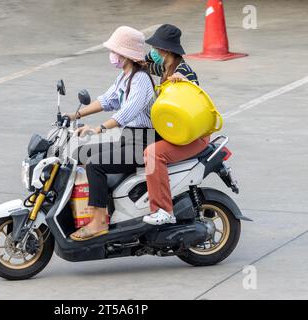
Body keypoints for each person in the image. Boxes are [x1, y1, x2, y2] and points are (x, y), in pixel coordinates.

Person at [64, 26, 159, 241]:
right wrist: (74, 115)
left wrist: (99, 128)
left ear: (126, 55)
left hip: (143, 144)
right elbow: (107, 100)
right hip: (129, 139)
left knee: (96, 164)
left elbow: (127, 112)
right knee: (82, 153)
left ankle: (98, 222)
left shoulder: (141, 80)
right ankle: (94, 207)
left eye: (115, 50)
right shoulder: (125, 77)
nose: (112, 55)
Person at [141, 24, 210, 225]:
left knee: (153, 153)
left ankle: (163, 210)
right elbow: (144, 64)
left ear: (165, 50)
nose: (153, 51)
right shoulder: (164, 67)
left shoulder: (184, 72)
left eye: (156, 47)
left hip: (193, 135)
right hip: (177, 133)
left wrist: (186, 83)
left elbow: (196, 93)